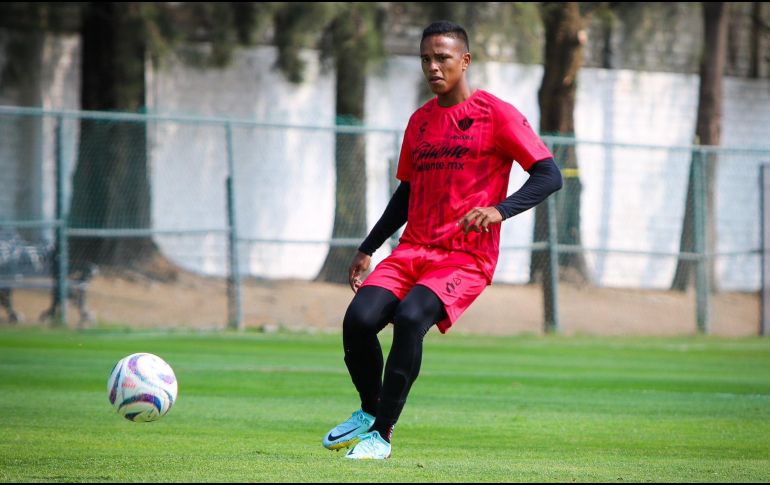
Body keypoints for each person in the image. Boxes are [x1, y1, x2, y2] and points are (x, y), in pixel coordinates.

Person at [322, 20, 563, 460]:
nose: (432, 67)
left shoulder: (497, 114)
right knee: (358, 321)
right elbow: (407, 194)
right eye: (425, 59)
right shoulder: (420, 122)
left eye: (442, 58)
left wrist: (498, 209)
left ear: (465, 61)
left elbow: (549, 175)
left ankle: (381, 435)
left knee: (412, 317)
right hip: (412, 249)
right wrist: (368, 248)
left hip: (464, 257)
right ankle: (369, 411)